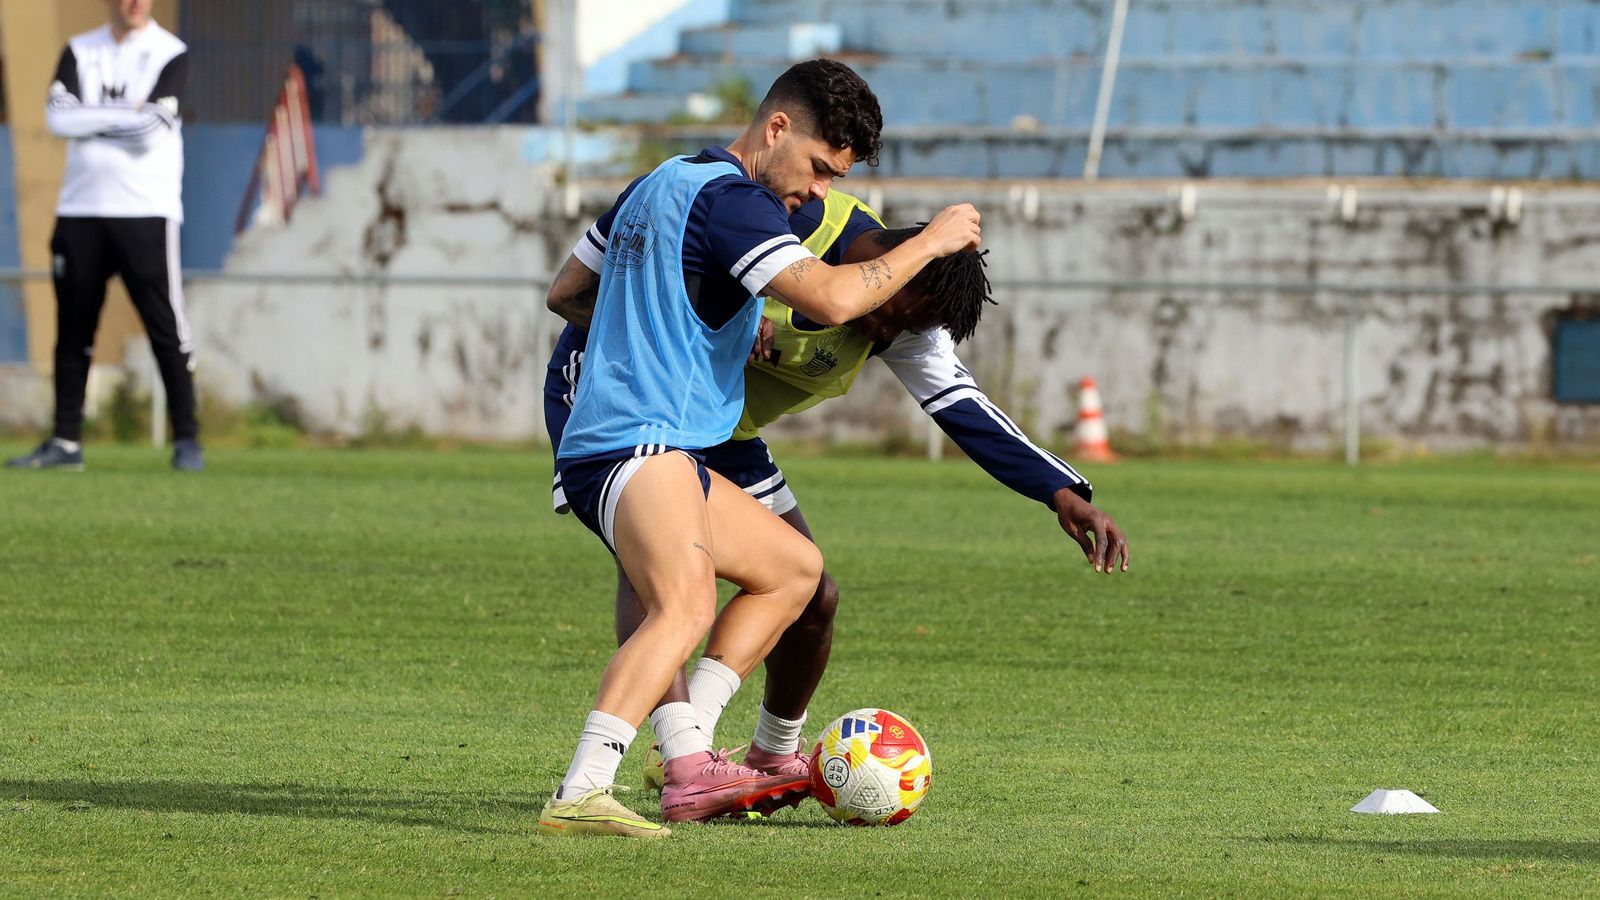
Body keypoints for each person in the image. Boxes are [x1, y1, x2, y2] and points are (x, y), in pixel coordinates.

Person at [545, 189, 1130, 795]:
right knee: (658, 579)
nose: (888, 332)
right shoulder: (793, 220)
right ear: (893, 260)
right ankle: (679, 760)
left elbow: (964, 408)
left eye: (905, 328)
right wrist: (731, 315)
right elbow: (665, 260)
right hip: (621, 396)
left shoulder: (905, 316)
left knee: (810, 591)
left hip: (719, 429)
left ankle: (767, 753)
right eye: (896, 313)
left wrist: (1062, 491)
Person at [536, 58, 981, 839]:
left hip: (645, 434)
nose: (817, 192)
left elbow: (567, 293)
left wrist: (665, 313)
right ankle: (582, 788)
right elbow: (839, 296)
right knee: (684, 605)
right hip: (639, 436)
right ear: (775, 127)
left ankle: (690, 760)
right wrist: (932, 241)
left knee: (796, 572)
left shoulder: (659, 180)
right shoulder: (736, 203)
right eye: (816, 168)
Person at [6, 0, 202, 473]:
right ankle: (65, 442)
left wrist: (90, 118)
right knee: (72, 332)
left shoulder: (170, 52)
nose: (135, 3)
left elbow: (152, 130)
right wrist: (126, 114)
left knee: (165, 328)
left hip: (145, 211)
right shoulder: (79, 50)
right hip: (80, 211)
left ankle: (187, 440)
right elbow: (57, 119)